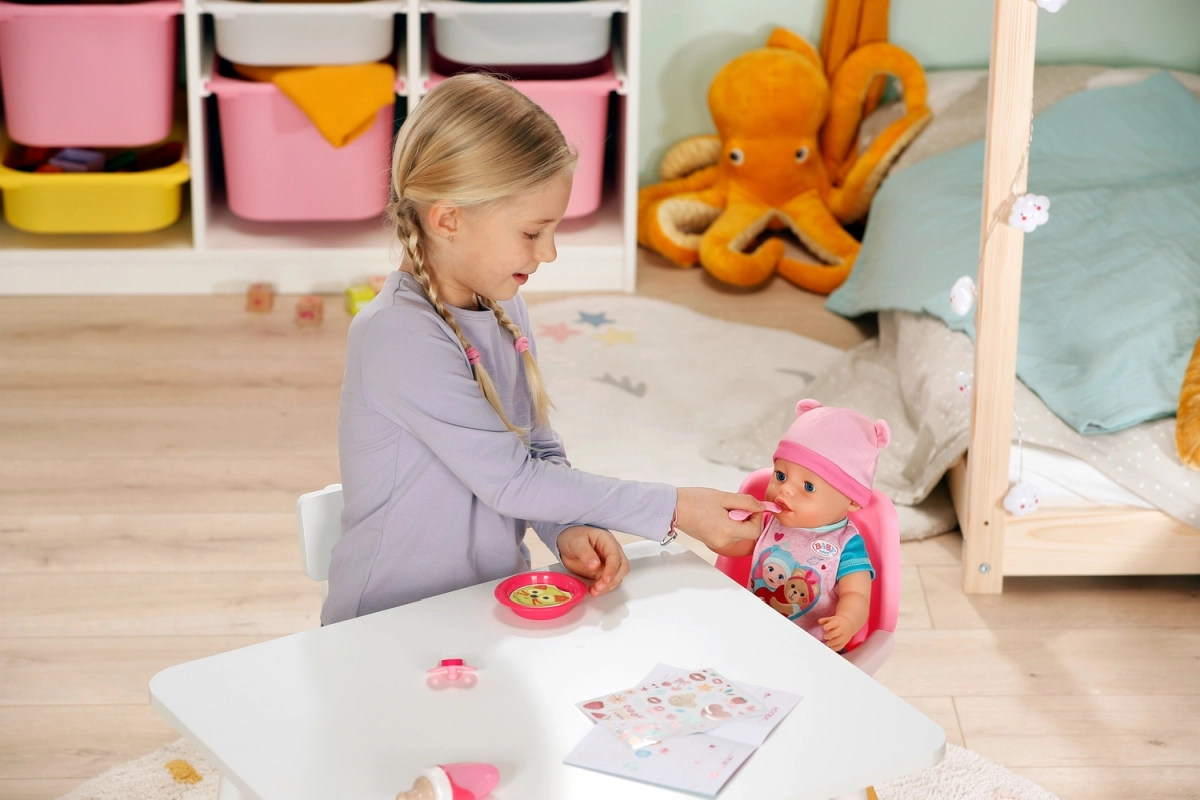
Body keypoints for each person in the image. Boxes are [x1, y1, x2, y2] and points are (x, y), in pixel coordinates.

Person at [322, 74, 762, 625]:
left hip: (487, 607)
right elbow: (512, 480)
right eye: (532, 233)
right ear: (448, 218)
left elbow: (537, 453)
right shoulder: (397, 336)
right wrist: (678, 507)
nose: (549, 252)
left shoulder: (502, 309)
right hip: (386, 624)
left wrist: (565, 528)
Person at [716, 400, 888, 650]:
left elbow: (857, 594)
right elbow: (735, 547)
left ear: (851, 500)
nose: (785, 489)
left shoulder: (847, 545)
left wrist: (847, 622)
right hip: (756, 632)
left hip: (813, 648)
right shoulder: (769, 520)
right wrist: (721, 531)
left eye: (808, 487)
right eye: (781, 476)